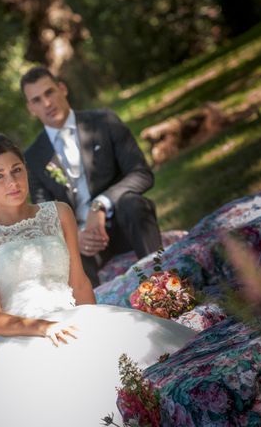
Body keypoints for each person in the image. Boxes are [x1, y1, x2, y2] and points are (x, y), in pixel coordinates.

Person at [0, 133, 195, 426]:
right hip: (22, 337)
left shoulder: (58, 213)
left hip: (74, 317)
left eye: (16, 170)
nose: (12, 182)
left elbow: (79, 281)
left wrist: (97, 326)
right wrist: (45, 328)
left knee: (139, 372)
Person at [21, 66, 161, 286]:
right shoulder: (33, 157)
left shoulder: (104, 121)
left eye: (49, 92)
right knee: (66, 252)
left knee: (134, 204)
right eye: (37, 100)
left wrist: (101, 204)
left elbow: (142, 173)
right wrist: (74, 236)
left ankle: (163, 284)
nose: (47, 103)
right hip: (85, 244)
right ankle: (100, 314)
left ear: (62, 88)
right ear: (31, 108)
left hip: (124, 221)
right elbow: (46, 215)